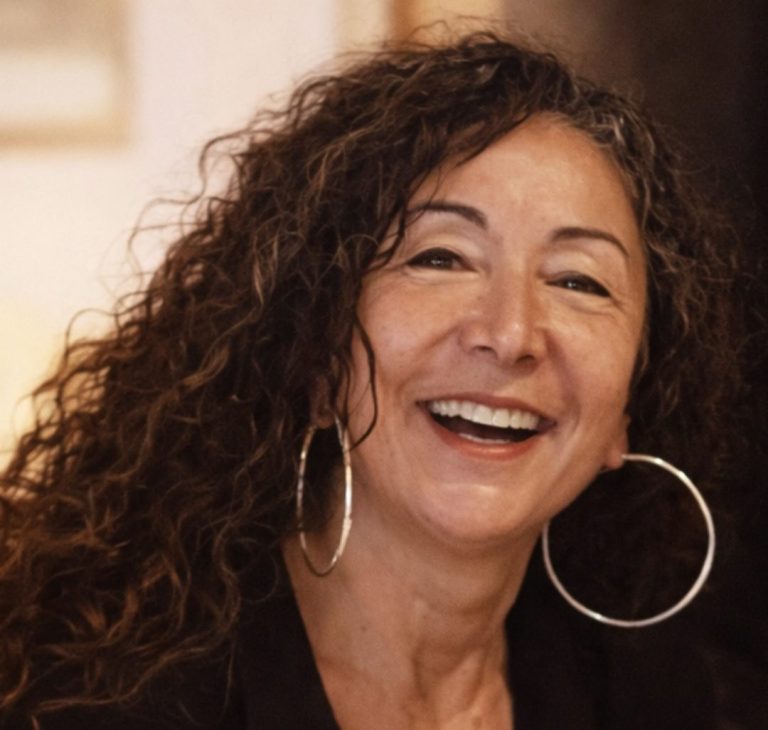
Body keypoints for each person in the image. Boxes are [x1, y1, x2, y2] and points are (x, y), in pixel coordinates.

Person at [0, 31, 748, 729]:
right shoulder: (87, 694)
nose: (511, 334)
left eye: (578, 281)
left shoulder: (668, 698)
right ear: (317, 353)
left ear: (632, 400)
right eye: (440, 258)